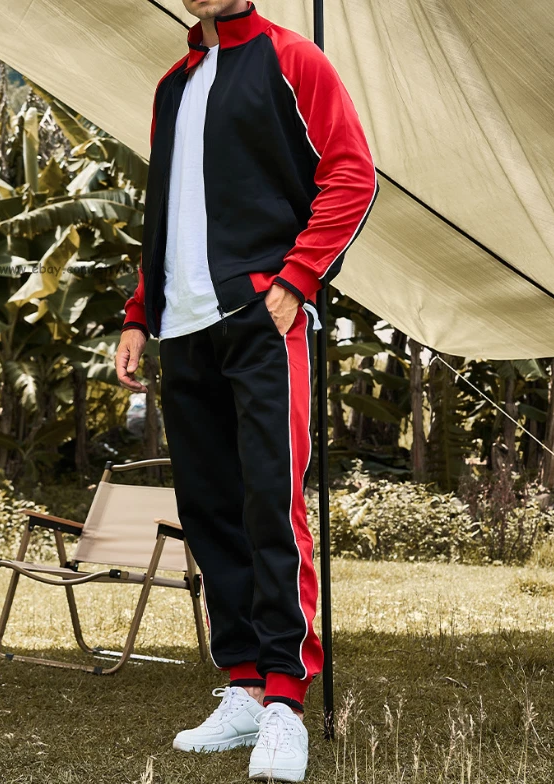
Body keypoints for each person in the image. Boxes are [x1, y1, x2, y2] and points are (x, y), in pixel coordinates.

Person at [115, 1, 378, 780]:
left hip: (261, 317)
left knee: (270, 502)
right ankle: (241, 685)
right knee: (210, 512)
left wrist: (297, 279)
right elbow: (166, 211)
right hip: (181, 328)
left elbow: (351, 174)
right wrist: (140, 313)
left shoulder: (292, 60)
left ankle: (284, 702)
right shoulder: (173, 83)